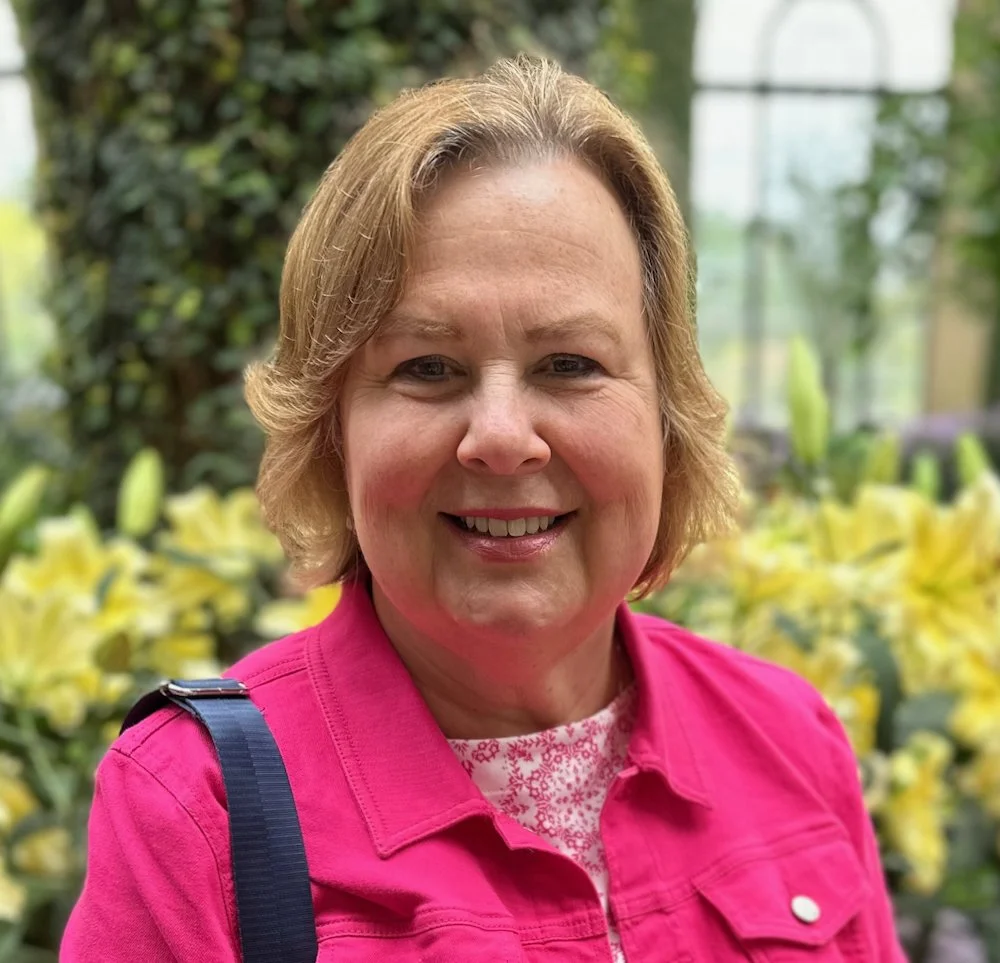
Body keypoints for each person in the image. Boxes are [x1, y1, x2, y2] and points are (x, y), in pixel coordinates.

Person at [62, 56, 906, 961]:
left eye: (570, 364)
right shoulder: (195, 809)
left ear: (668, 414)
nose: (502, 438)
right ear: (331, 427)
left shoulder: (788, 738)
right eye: (427, 368)